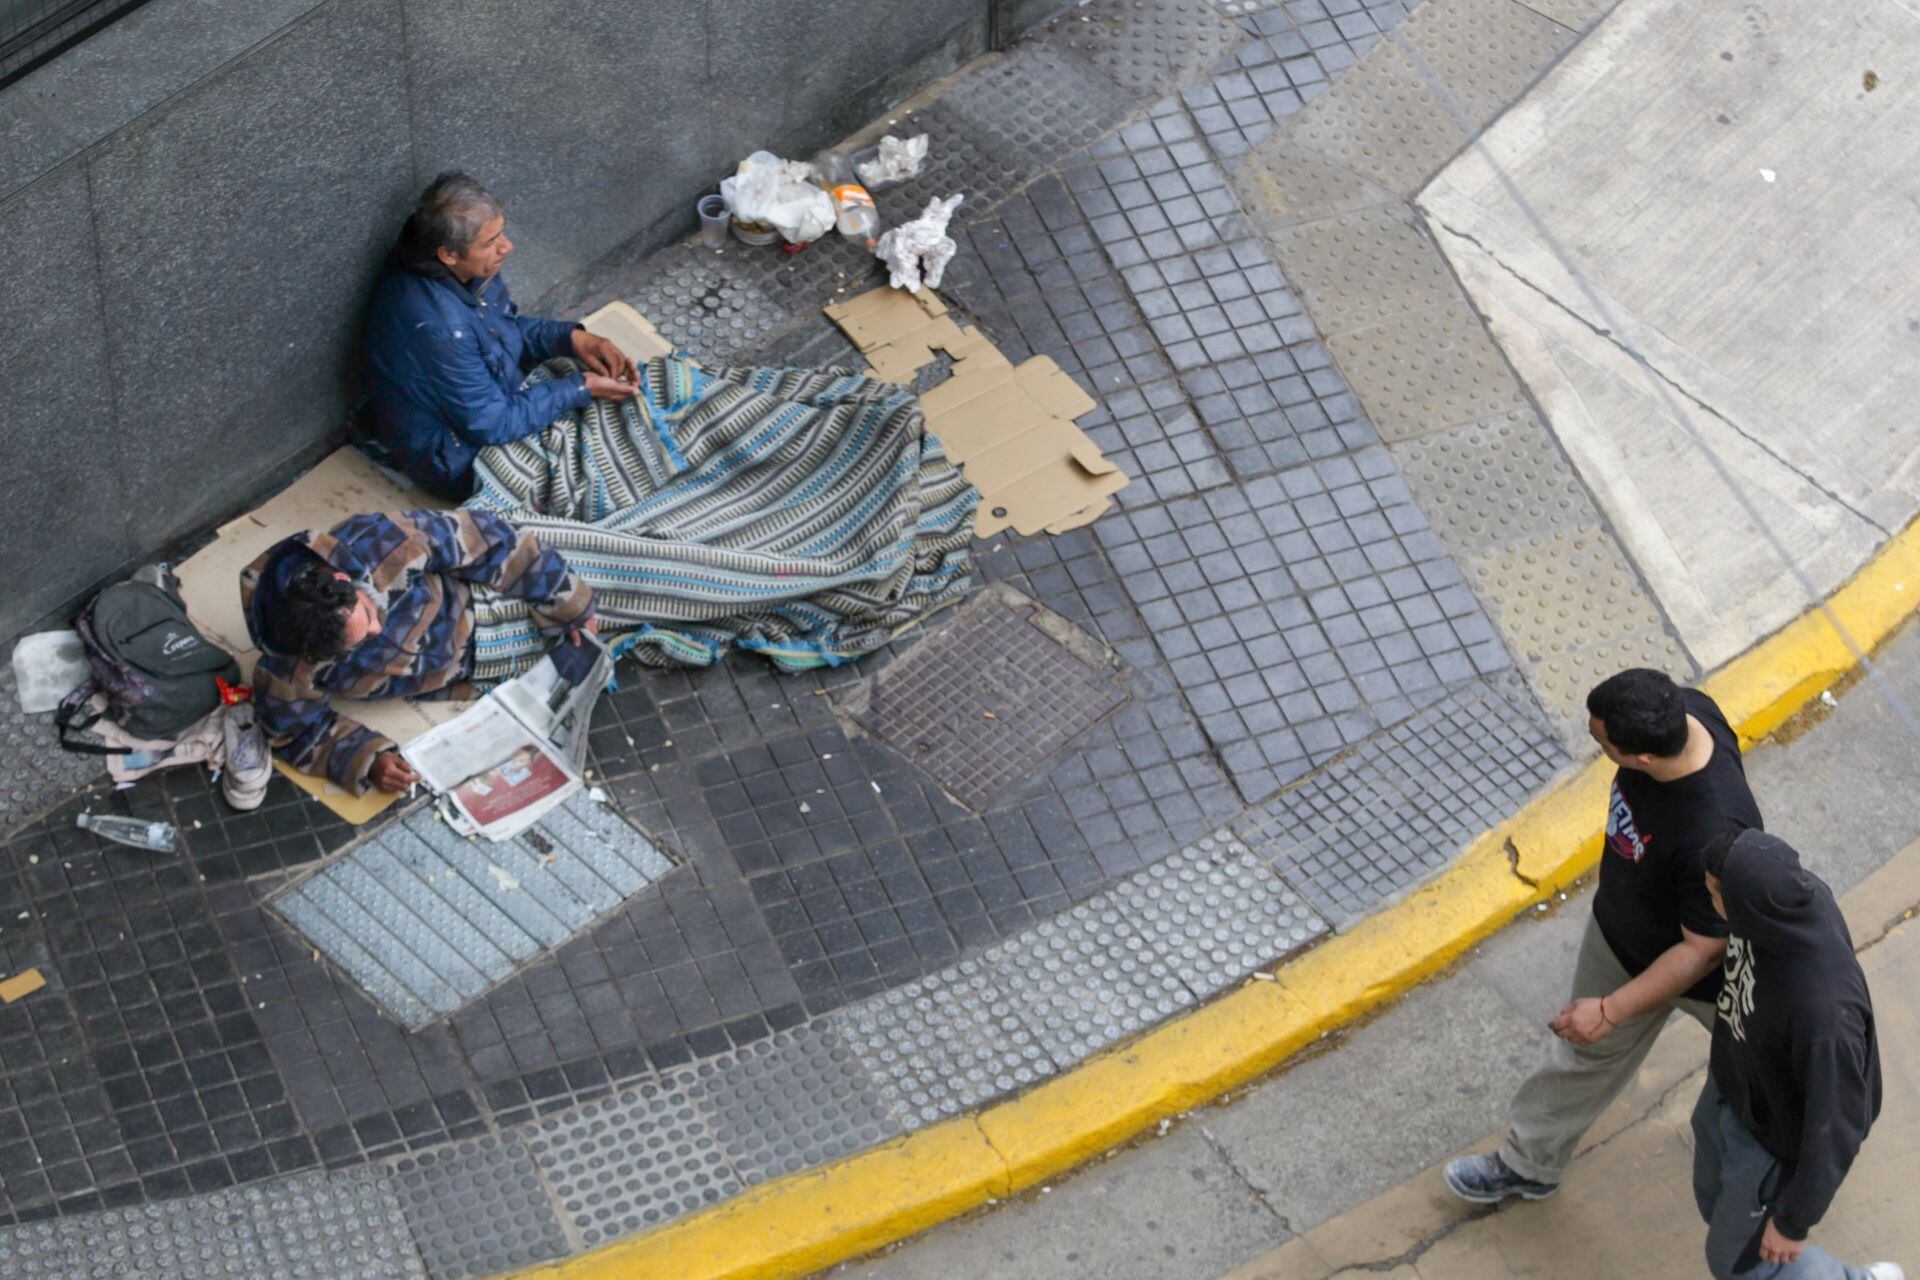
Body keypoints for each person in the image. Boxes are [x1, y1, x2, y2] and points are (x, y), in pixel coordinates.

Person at [1446, 668, 1763, 1203]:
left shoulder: (1712, 828)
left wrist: (1613, 1009)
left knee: (1769, 1075)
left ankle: (1793, 1167)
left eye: (1603, 744)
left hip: (1718, 978)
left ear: (1643, 759)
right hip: (1622, 932)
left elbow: (1704, 949)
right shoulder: (1683, 709)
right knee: (1580, 1056)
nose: (1597, 747)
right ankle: (1528, 1164)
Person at [239, 509, 595, 794]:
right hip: (476, 668)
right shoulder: (287, 664)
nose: (377, 629)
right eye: (358, 641)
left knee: (604, 599)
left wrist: (565, 597)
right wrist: (366, 759)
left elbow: (487, 538)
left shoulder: (381, 542)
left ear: (343, 579)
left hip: (484, 594)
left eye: (367, 615)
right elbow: (295, 728)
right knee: (573, 667)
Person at [1692, 830, 1898, 1280]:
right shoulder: (1782, 905)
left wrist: (1792, 1220)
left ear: (1745, 904)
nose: (1709, 902)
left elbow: (1838, 1125)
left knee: (1737, 1263)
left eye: (1714, 894)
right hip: (1736, 1087)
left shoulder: (1825, 1018)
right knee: (1711, 1197)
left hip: (1771, 1138)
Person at [364, 171, 640, 499]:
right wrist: (581, 388)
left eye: (502, 233)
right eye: (491, 242)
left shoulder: (465, 270)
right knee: (601, 477)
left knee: (629, 410)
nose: (507, 247)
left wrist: (571, 339)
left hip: (486, 399)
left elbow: (500, 331)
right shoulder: (437, 327)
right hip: (452, 456)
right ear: (448, 254)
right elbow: (490, 423)